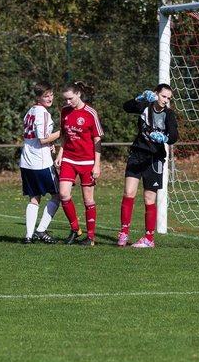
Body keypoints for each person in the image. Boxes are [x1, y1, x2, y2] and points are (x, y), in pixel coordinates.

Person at [118, 84, 178, 248]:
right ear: (156, 94)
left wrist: (163, 138)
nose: (166, 100)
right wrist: (139, 97)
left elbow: (173, 136)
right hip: (137, 154)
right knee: (129, 192)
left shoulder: (169, 114)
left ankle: (149, 239)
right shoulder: (145, 106)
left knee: (148, 198)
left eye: (168, 98)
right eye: (163, 96)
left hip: (155, 158)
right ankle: (123, 233)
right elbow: (126, 107)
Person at [56, 81, 104, 246]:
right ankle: (75, 229)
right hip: (69, 159)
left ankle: (90, 237)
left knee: (88, 199)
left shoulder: (91, 112)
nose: (67, 102)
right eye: (65, 99)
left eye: (70, 98)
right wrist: (60, 154)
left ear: (78, 94)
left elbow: (97, 139)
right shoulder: (65, 112)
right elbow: (65, 135)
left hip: (87, 161)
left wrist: (97, 165)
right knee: (63, 194)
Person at [20, 82, 62, 244]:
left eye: (51, 94)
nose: (50, 98)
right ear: (38, 97)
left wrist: (49, 142)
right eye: (46, 95)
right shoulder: (43, 113)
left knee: (34, 198)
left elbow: (37, 137)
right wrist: (63, 131)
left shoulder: (29, 111)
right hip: (41, 163)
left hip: (26, 161)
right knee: (58, 195)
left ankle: (28, 236)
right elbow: (43, 138)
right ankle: (41, 230)